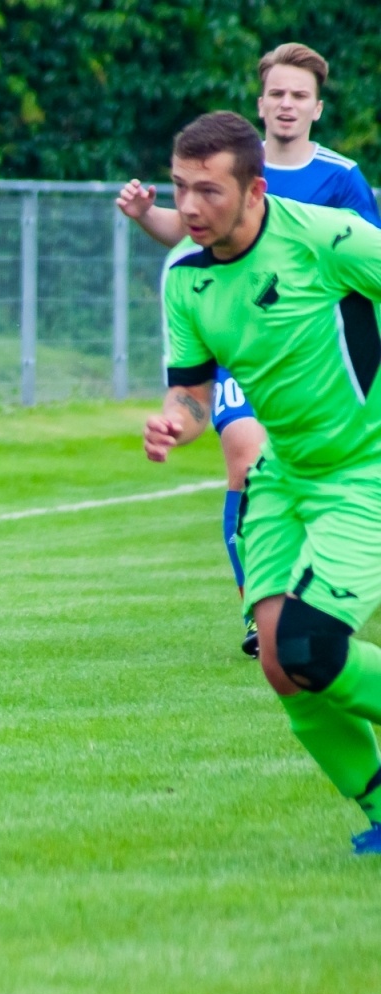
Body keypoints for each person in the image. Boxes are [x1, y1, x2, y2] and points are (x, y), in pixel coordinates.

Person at [143, 110, 381, 855]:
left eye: (208, 191)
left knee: (312, 648)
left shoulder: (326, 238)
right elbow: (191, 391)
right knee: (281, 663)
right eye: (179, 188)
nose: (189, 207)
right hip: (283, 477)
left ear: (255, 191)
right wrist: (176, 421)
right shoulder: (185, 277)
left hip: (366, 473)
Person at [117, 42, 381, 658]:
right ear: (260, 103)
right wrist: (177, 417)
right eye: (278, 93)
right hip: (240, 353)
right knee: (245, 458)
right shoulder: (218, 177)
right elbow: (185, 238)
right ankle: (260, 614)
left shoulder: (337, 184)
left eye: (299, 95)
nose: (287, 104)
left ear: (317, 108)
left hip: (324, 365)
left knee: (309, 651)